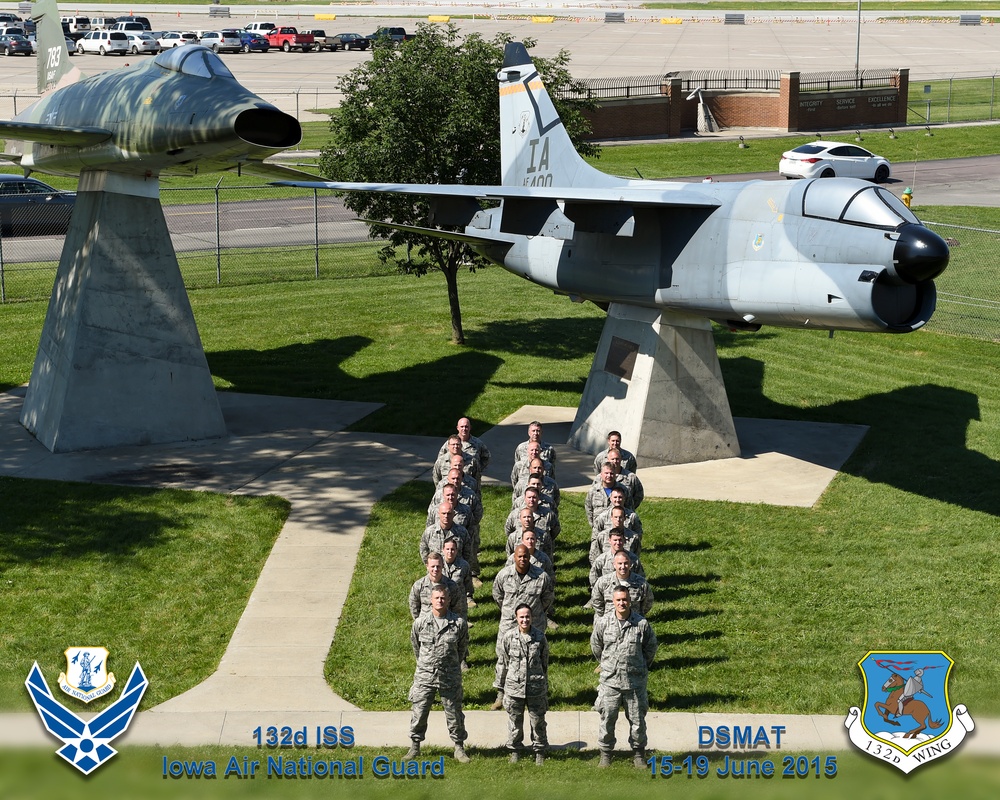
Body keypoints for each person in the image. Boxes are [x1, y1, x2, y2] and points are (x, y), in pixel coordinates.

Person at [592, 586, 658, 768]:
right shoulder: (603, 623)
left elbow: (651, 647)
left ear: (630, 601)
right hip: (610, 682)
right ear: (613, 602)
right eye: (618, 600)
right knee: (607, 719)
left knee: (637, 721)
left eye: (625, 600)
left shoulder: (641, 624)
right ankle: (605, 754)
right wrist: (607, 664)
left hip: (634, 682)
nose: (622, 603)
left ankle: (638, 754)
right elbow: (596, 646)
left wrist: (641, 665)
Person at [405, 585, 471, 763]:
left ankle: (459, 747)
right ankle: (415, 747)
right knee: (419, 712)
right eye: (437, 598)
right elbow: (416, 647)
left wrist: (451, 665)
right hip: (425, 676)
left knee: (454, 714)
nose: (440, 601)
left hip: (449, 677)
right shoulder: (420, 623)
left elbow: (461, 649)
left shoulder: (458, 624)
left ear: (448, 600)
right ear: (431, 601)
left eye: (443, 598)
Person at [491, 545, 555, 710]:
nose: (522, 559)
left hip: (534, 624)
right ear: (514, 557)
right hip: (509, 624)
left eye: (525, 556)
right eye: (519, 556)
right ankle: (501, 694)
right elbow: (497, 595)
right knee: (503, 659)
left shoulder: (541, 577)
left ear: (529, 557)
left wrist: (536, 615)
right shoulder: (504, 575)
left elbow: (547, 598)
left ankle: (538, 692)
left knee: (535, 659)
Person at [495, 604, 550, 764]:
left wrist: (543, 684)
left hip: (535, 688)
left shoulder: (540, 637)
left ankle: (539, 750)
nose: (525, 620)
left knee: (538, 721)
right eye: (521, 617)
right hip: (514, 688)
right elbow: (503, 663)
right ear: (516, 618)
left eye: (527, 616)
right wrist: (501, 688)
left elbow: (544, 662)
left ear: (531, 618)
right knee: (515, 722)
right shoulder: (508, 637)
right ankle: (515, 750)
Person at [592, 551, 653, 618]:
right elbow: (596, 601)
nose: (623, 566)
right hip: (610, 623)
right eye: (620, 563)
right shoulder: (603, 581)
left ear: (630, 564)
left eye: (626, 563)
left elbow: (648, 602)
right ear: (614, 565)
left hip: (634, 623)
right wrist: (605, 618)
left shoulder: (641, 582)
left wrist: (637, 616)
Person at [409, 551, 465, 620]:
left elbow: (457, 609)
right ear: (427, 566)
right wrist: (420, 623)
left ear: (443, 566)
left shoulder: (451, 585)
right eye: (433, 566)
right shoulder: (419, 585)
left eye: (438, 566)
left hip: (446, 624)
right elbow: (414, 606)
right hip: (425, 625)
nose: (435, 569)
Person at [420, 502, 472, 566]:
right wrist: (430, 565)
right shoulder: (430, 532)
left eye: (449, 513)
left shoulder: (462, 532)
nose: (446, 516)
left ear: (454, 514)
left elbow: (467, 551)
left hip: (457, 570)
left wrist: (462, 566)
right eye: (443, 513)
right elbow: (423, 549)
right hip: (436, 571)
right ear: (439, 514)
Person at [585, 463, 626, 527]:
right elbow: (588, 508)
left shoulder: (623, 490)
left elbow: (629, 507)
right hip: (598, 529)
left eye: (611, 473)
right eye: (606, 473)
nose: (609, 476)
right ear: (601, 474)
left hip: (617, 530)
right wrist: (592, 525)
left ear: (615, 475)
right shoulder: (593, 490)